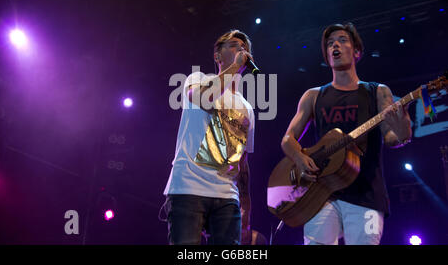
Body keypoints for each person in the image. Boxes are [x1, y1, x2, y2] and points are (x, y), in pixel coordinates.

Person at [281, 22, 412, 245]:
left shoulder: (377, 91)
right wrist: (300, 158)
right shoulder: (313, 96)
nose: (335, 46)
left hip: (366, 194)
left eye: (342, 40)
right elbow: (287, 139)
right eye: (330, 43)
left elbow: (394, 139)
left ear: (357, 51)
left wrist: (402, 125)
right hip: (322, 195)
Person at [163, 29, 255, 245]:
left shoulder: (247, 108)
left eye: (245, 47)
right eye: (234, 45)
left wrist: (246, 202)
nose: (241, 49)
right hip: (188, 187)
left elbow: (242, 159)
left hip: (227, 194)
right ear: (217, 56)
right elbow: (205, 99)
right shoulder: (197, 80)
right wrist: (234, 68)